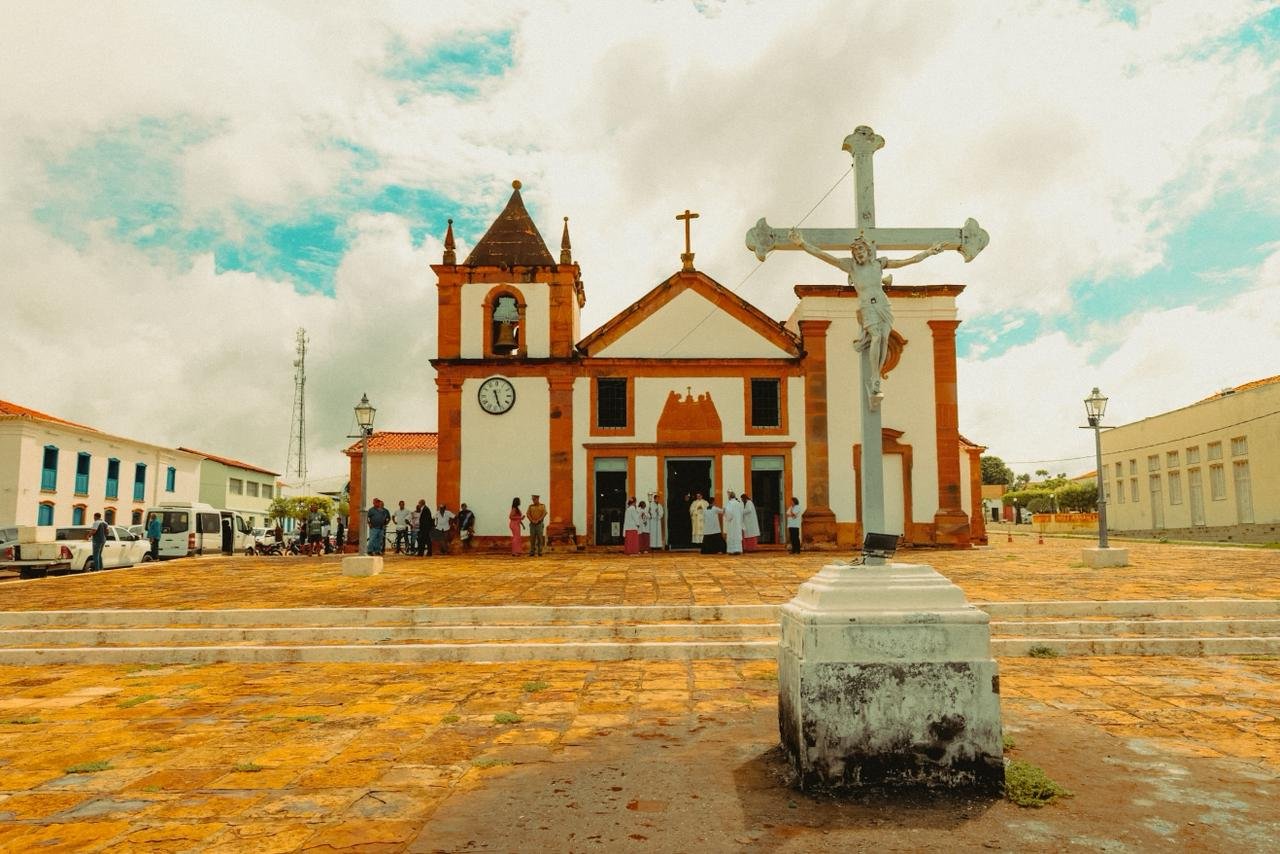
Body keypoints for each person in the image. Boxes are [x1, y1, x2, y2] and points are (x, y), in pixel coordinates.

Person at [791, 230, 943, 404]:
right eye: (855, 251)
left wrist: (929, 252)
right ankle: (875, 378)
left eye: (861, 250)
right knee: (877, 336)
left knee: (884, 338)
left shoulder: (879, 264)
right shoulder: (851, 267)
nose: (858, 254)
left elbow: (908, 261)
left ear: (868, 251)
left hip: (883, 305)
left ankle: (877, 374)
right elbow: (824, 256)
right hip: (867, 307)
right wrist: (802, 244)